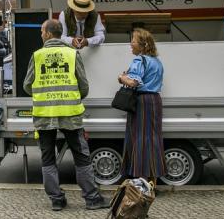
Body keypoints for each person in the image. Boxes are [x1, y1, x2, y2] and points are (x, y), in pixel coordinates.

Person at [23, 19, 107, 212]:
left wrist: (45, 92)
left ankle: (57, 200)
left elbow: (27, 85)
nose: (40, 34)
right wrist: (72, 97)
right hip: (71, 114)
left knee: (48, 158)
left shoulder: (37, 56)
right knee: (81, 156)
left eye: (41, 30)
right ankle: (92, 199)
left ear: (48, 34)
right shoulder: (72, 54)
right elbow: (84, 85)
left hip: (45, 114)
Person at [117, 28, 165, 182]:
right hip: (155, 101)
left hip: (142, 102)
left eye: (133, 40)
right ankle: (152, 179)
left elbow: (133, 82)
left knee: (140, 138)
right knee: (152, 138)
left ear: (143, 45)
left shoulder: (139, 60)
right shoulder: (157, 62)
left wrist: (121, 77)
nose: (131, 44)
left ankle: (140, 180)